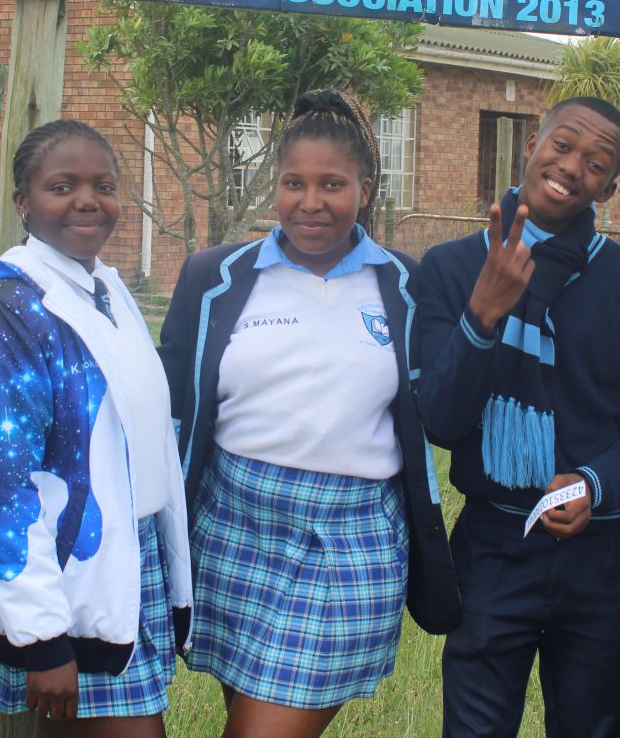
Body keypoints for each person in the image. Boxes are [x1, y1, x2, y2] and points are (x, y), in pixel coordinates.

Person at [160, 90, 460, 738]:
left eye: (332, 184)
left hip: (347, 541)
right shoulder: (213, 278)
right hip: (231, 528)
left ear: (365, 187)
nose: (311, 202)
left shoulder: (406, 287)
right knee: (240, 712)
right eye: (294, 182)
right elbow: (174, 403)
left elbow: (441, 405)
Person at [416, 96, 620, 738]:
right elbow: (440, 422)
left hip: (600, 559)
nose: (571, 166)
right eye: (562, 144)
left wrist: (592, 482)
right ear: (533, 141)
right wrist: (483, 315)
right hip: (493, 546)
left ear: (610, 188)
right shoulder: (448, 269)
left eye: (596, 161)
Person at [0, 119, 192, 735]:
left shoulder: (103, 286)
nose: (88, 200)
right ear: (23, 202)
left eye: (104, 185)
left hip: (122, 568)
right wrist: (43, 637)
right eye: (62, 186)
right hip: (59, 592)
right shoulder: (6, 309)